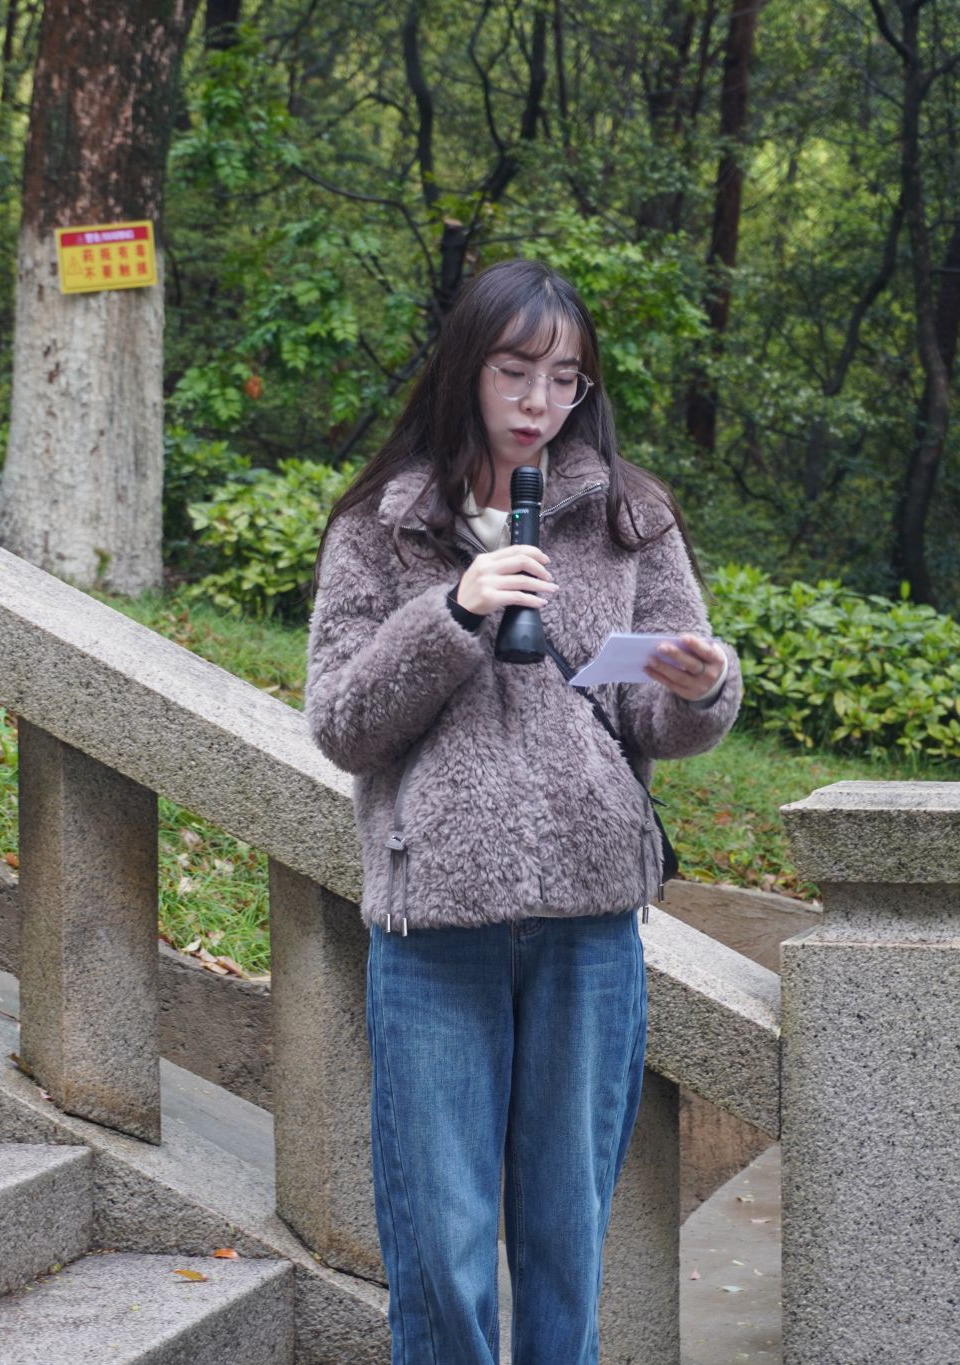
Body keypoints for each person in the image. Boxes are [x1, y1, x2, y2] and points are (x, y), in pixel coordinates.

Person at [305, 258, 741, 1364]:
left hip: (589, 922)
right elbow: (341, 722)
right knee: (441, 1244)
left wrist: (701, 688)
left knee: (565, 1237)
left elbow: (655, 713)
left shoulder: (631, 516)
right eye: (515, 372)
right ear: (467, 368)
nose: (540, 401)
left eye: (565, 378)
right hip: (435, 928)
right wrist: (450, 614)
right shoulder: (380, 525)